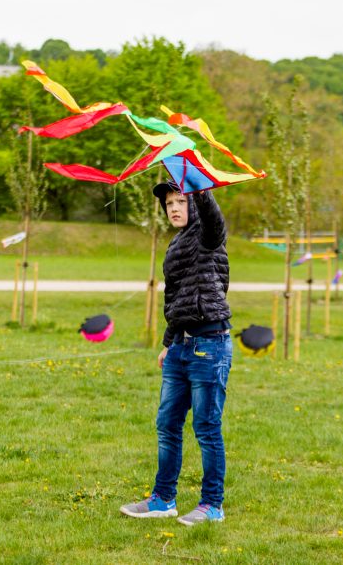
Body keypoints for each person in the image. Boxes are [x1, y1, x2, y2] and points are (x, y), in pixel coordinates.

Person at [120, 181, 232, 526]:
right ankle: (163, 499)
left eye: (180, 200)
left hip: (209, 345)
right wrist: (168, 343)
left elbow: (215, 219)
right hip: (182, 346)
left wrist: (199, 188)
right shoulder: (177, 243)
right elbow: (177, 299)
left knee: (206, 427)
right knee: (167, 423)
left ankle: (212, 505)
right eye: (169, 203)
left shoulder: (207, 235)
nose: (174, 207)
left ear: (194, 203)